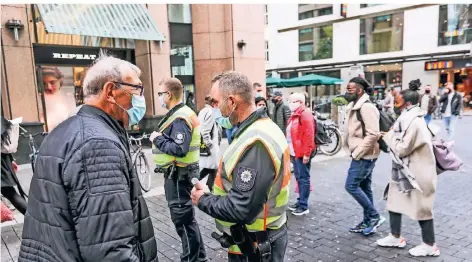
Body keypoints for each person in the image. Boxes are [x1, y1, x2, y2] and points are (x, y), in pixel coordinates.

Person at [19, 54, 158, 261]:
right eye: (136, 90)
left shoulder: (65, 131)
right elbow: (110, 251)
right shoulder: (99, 145)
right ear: (110, 91)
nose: (140, 99)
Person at [191, 71, 290, 262]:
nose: (213, 108)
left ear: (231, 102)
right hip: (254, 240)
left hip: (256, 245)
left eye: (215, 102)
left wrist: (203, 199)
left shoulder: (256, 142)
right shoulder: (256, 129)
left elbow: (241, 208)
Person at [377, 80, 440, 257]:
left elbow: (402, 148)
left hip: (418, 173)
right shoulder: (408, 118)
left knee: (423, 209)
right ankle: (395, 236)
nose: (394, 103)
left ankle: (430, 245)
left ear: (408, 104)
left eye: (397, 101)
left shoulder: (414, 122)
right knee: (393, 201)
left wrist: (388, 136)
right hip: (405, 170)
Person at [150, 78, 207, 262]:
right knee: (188, 221)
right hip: (179, 173)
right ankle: (199, 257)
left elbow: (179, 149)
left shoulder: (180, 117)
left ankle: (191, 258)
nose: (159, 97)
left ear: (169, 94)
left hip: (178, 175)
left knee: (183, 221)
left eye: (160, 94)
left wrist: (157, 139)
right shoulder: (180, 114)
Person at [343, 77, 385, 236]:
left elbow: (373, 133)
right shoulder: (354, 105)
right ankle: (368, 220)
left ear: (359, 90)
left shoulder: (366, 107)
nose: (347, 92)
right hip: (363, 154)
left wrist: (357, 152)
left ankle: (374, 216)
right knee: (364, 187)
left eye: (350, 89)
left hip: (365, 155)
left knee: (351, 186)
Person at [286, 93, 315, 216]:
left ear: (300, 102)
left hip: (301, 153)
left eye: (292, 101)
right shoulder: (295, 115)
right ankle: (300, 201)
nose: (290, 104)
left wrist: (307, 154)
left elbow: (309, 135)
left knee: (303, 178)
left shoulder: (305, 114)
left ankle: (304, 205)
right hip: (295, 152)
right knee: (299, 177)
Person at [1, 116, 27, 215]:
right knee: (10, 193)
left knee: (10, 193)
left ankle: (36, 220)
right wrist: (11, 160)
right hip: (4, 158)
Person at [198, 95, 220, 192]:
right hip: (210, 146)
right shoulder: (211, 112)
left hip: (204, 145)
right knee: (213, 168)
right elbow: (205, 131)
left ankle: (207, 186)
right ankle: (209, 188)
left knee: (210, 168)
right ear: (213, 103)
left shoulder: (203, 111)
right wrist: (210, 144)